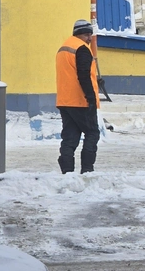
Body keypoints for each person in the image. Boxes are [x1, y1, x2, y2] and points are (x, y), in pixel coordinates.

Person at [55, 19, 100, 174]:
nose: (90, 38)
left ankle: (67, 171)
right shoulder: (82, 49)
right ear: (80, 34)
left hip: (64, 100)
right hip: (81, 101)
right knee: (92, 133)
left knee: (70, 137)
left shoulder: (64, 47)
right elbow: (83, 75)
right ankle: (87, 169)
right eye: (88, 34)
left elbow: (72, 73)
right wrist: (91, 97)